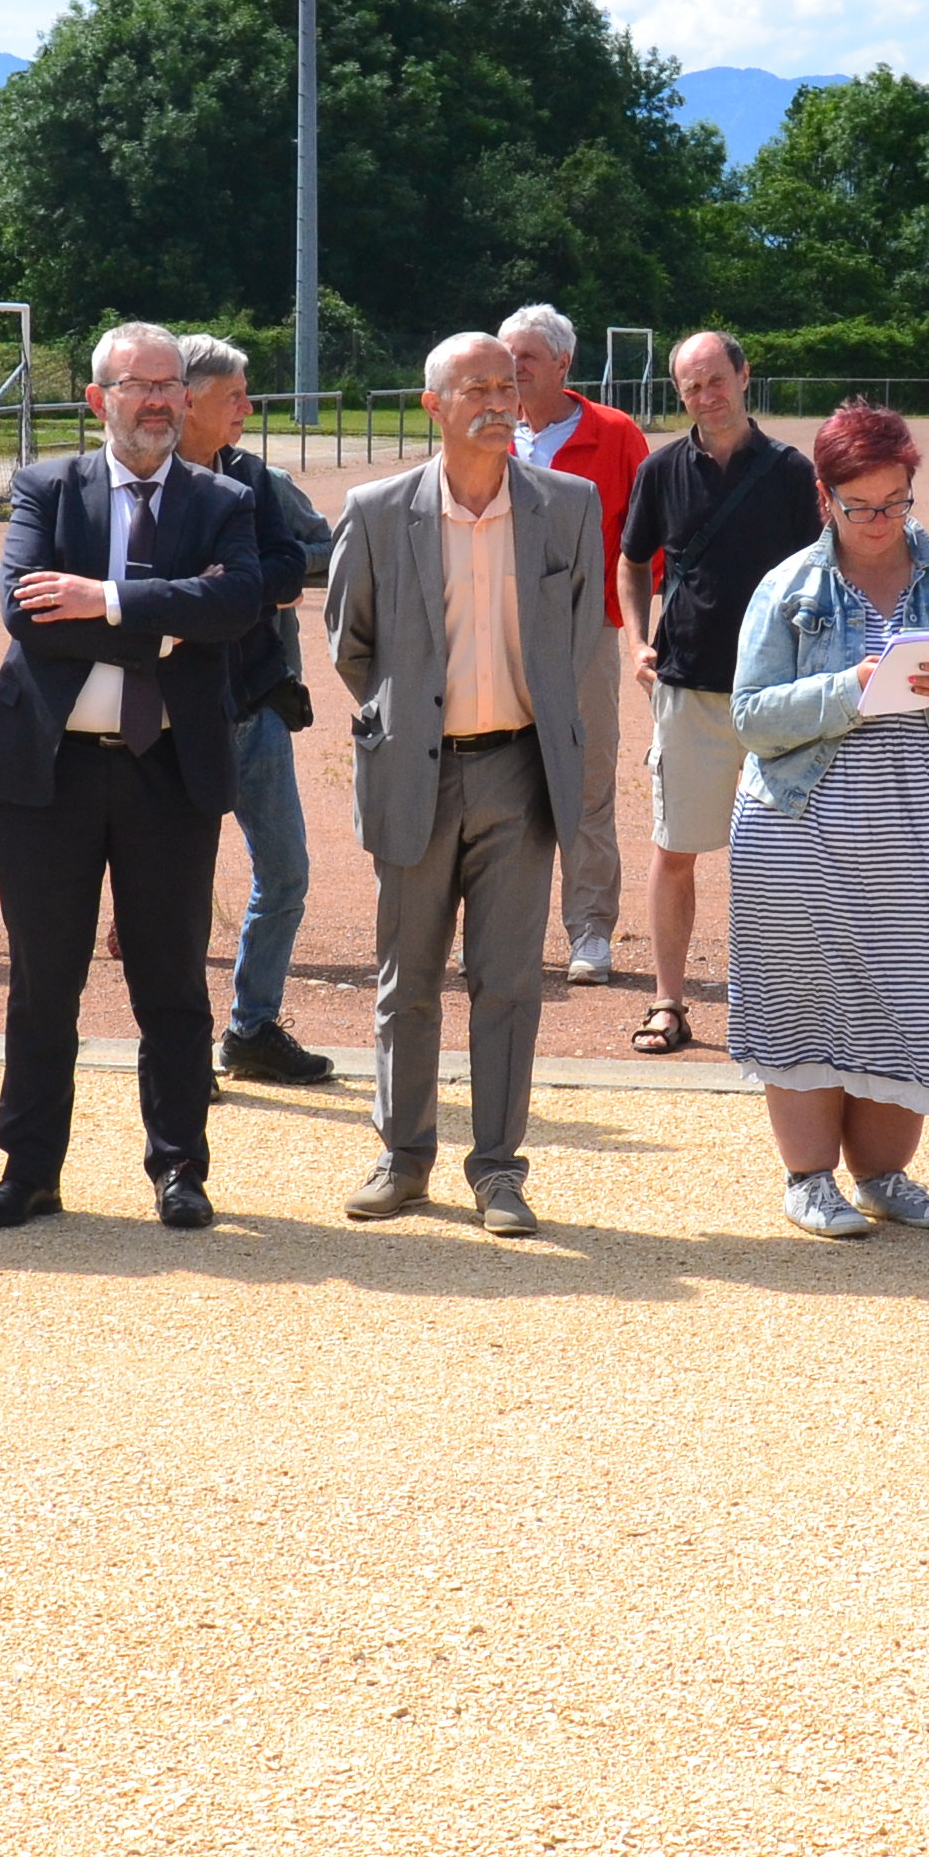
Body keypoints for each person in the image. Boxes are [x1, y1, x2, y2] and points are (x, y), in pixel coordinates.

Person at [0, 324, 262, 1231]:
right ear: (100, 399)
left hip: (169, 773)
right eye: (139, 385)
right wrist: (173, 616)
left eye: (171, 385)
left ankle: (179, 1169)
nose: (160, 400)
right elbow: (26, 612)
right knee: (42, 978)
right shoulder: (48, 488)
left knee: (171, 982)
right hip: (46, 774)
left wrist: (108, 598)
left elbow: (239, 603)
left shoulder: (221, 498)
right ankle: (30, 1170)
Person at [324, 332, 607, 1236]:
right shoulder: (374, 511)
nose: (498, 396)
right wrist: (405, 719)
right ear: (432, 405)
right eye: (475, 386)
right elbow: (350, 644)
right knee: (406, 977)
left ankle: (498, 1171)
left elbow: (575, 641)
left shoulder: (569, 505)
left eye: (507, 381)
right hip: (418, 770)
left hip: (522, 773)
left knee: (509, 981)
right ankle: (403, 1159)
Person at [724, 401, 929, 1237]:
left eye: (893, 502)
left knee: (918, 997)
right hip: (803, 828)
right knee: (805, 997)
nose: (877, 521)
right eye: (857, 505)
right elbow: (751, 717)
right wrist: (849, 690)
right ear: (825, 498)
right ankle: (808, 1182)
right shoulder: (786, 587)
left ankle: (886, 1177)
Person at [615, 332, 820, 1055]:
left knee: (790, 854)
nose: (707, 396)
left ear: (744, 376)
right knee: (676, 849)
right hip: (688, 688)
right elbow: (633, 562)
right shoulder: (661, 467)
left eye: (716, 380)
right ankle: (668, 1002)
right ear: (679, 393)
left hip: (779, 695)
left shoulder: (794, 473)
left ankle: (789, 1003)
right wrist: (637, 641)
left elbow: (821, 574)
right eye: (692, 386)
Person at [180, 334, 339, 1089]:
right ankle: (180, 1039)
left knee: (286, 873)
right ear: (188, 399)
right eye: (234, 395)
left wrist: (236, 584)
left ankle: (250, 1029)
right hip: (176, 719)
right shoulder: (152, 482)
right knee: (176, 885)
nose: (247, 406)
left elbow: (303, 552)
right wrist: (237, 586)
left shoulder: (253, 477)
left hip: (257, 707)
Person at [504, 304, 650, 982]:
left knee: (587, 778)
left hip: (587, 631)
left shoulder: (616, 435)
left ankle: (590, 928)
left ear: (563, 364)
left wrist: (636, 622)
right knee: (500, 777)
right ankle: (508, 927)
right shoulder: (488, 431)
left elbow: (648, 543)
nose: (513, 369)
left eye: (526, 357)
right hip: (498, 629)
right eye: (506, 356)